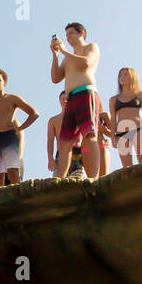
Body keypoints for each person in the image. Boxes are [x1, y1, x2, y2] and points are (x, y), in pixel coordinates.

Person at [51, 22, 101, 179]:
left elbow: (86, 63)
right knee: (64, 142)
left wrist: (64, 51)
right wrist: (55, 55)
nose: (68, 37)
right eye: (66, 34)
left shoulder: (90, 47)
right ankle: (60, 179)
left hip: (86, 92)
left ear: (81, 33)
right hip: (70, 98)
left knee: (89, 135)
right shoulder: (66, 59)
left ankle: (93, 178)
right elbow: (55, 78)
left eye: (71, 33)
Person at [110, 68, 142, 168]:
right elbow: (113, 119)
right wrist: (112, 136)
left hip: (138, 130)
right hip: (121, 134)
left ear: (132, 77)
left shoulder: (140, 95)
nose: (122, 77)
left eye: (125, 74)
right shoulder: (114, 99)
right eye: (120, 75)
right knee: (127, 169)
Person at [47, 90, 86, 177]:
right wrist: (50, 158)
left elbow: (87, 135)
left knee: (78, 182)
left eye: (67, 98)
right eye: (62, 99)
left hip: (77, 152)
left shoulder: (79, 118)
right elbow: (50, 141)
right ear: (59, 101)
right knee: (58, 183)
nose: (65, 101)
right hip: (60, 154)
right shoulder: (53, 121)